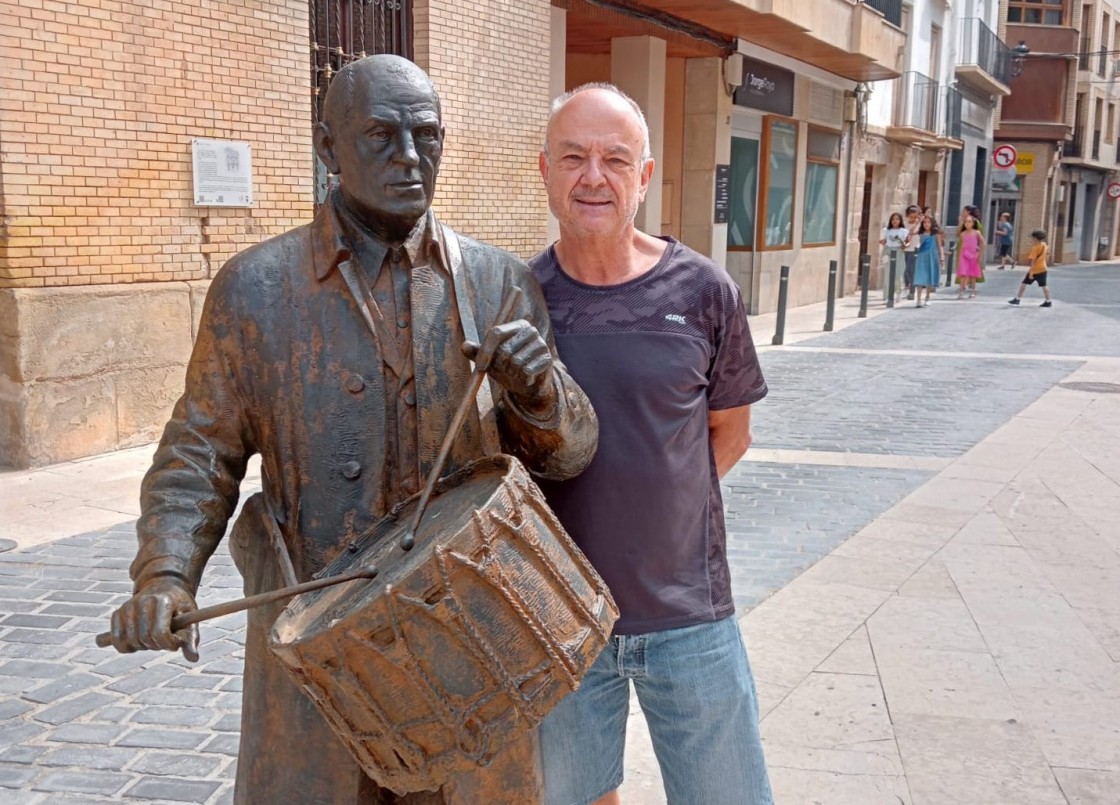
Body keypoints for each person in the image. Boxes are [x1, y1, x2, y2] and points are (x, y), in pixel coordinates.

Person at [106, 55, 598, 805]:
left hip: (468, 648)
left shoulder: (499, 284)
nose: (410, 157)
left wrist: (538, 390)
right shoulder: (256, 290)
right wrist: (165, 574)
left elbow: (567, 455)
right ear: (329, 148)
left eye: (427, 136)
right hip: (315, 649)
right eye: (381, 136)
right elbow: (198, 453)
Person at [531, 83, 773, 805]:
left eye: (614, 158)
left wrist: (659, 510)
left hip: (689, 616)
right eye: (573, 157)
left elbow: (730, 432)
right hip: (559, 621)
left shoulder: (703, 291)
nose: (592, 177)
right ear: (543, 169)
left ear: (645, 175)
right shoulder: (518, 298)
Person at [1009, 229, 1053, 307]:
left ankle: (1017, 299)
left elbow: (1032, 261)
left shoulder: (1035, 248)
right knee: (1044, 285)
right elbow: (1047, 252)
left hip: (1035, 270)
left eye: (1033, 238)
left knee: (1024, 283)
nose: (1032, 239)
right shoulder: (1044, 245)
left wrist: (1031, 273)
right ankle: (1048, 301)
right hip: (1043, 268)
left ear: (1035, 238)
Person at [912, 215, 944, 307]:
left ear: (932, 223)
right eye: (924, 222)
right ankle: (918, 299)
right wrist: (918, 221)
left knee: (930, 276)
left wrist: (941, 257)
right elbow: (912, 232)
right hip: (922, 256)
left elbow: (940, 245)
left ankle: (927, 296)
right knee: (919, 277)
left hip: (932, 257)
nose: (926, 224)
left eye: (928, 222)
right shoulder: (921, 233)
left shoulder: (936, 234)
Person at [879, 211, 909, 301]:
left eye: (897, 219)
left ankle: (898, 293)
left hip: (899, 251)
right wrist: (882, 242)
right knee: (887, 274)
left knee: (898, 274)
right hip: (888, 251)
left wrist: (904, 245)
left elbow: (907, 242)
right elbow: (884, 241)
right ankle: (887, 295)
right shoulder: (886, 230)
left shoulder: (904, 231)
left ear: (900, 220)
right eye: (893, 219)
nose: (895, 221)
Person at [956, 214, 985, 299]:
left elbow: (984, 243)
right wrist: (959, 259)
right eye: (966, 222)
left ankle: (973, 291)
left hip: (973, 255)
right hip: (964, 255)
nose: (967, 224)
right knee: (963, 273)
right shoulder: (963, 234)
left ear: (973, 223)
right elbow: (962, 245)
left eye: (969, 222)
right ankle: (961, 292)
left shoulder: (977, 232)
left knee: (973, 274)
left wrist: (980, 255)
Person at [902, 204, 922, 299]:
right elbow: (906, 233)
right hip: (905, 249)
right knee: (904, 270)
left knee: (910, 269)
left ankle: (912, 290)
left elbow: (913, 232)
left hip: (915, 249)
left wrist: (918, 222)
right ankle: (907, 286)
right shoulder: (904, 224)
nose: (913, 218)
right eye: (911, 217)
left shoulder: (920, 225)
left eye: (915, 217)